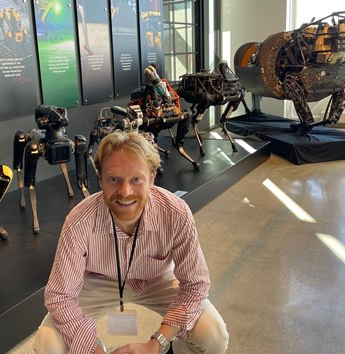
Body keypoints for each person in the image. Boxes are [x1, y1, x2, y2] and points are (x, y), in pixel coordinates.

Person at [33, 131, 229, 354]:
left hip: (157, 279)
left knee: (213, 335)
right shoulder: (79, 222)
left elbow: (195, 285)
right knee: (47, 344)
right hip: (99, 281)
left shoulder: (175, 213)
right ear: (100, 179)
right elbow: (60, 296)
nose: (125, 192)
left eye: (136, 179)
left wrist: (157, 343)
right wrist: (93, 349)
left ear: (152, 178)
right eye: (114, 179)